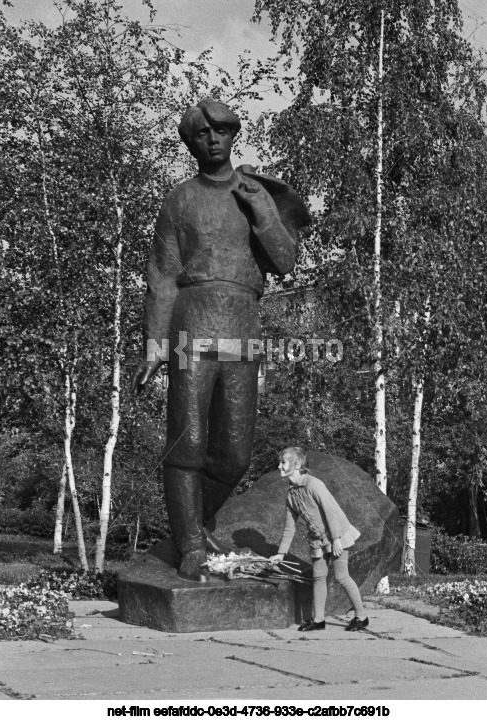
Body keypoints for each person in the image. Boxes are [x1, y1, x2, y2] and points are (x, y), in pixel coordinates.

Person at [131, 99, 310, 582]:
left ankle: (188, 524)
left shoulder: (255, 192)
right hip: (192, 321)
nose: (213, 140)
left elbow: (285, 261)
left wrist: (261, 212)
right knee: (187, 442)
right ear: (191, 143)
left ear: (234, 136)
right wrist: (154, 346)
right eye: (202, 134)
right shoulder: (180, 199)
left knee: (235, 454)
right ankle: (190, 544)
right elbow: (162, 277)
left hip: (242, 326)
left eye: (222, 131)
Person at [270, 447, 369, 631]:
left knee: (341, 576)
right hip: (317, 539)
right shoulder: (291, 495)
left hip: (336, 533)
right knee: (318, 577)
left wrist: (337, 539)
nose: (279, 466)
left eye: (283, 462)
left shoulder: (313, 484)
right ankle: (319, 620)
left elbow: (330, 510)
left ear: (297, 464)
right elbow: (290, 527)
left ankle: (362, 617)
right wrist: (280, 554)